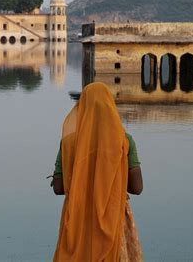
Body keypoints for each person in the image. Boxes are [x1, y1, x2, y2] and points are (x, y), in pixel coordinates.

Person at [50, 82, 143, 261]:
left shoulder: (69, 143)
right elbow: (137, 188)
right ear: (110, 108)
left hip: (78, 218)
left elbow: (59, 188)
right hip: (113, 216)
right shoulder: (124, 141)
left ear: (82, 108)